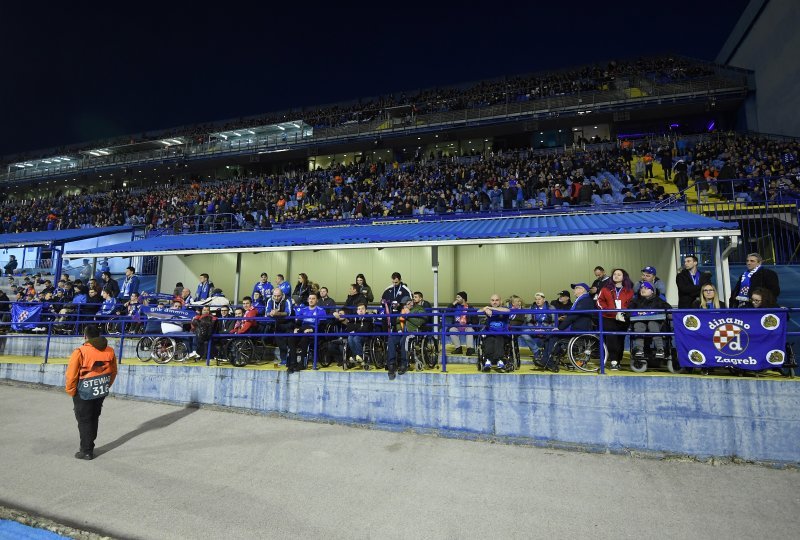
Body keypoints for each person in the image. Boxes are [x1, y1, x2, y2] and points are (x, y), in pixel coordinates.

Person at [65, 324, 117, 460]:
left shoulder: (80, 351)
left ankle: (86, 450)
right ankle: (89, 445)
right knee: (94, 417)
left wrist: (71, 391)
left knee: (84, 420)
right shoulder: (110, 350)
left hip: (83, 391)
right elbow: (113, 371)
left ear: (85, 336)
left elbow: (71, 375)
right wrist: (106, 385)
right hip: (100, 389)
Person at [543, 283, 596, 372]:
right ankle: (545, 359)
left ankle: (549, 361)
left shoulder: (585, 300)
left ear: (582, 290)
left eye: (576, 288)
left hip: (579, 329)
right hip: (576, 327)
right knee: (550, 335)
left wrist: (560, 328)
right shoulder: (581, 299)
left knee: (553, 335)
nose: (574, 290)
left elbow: (573, 316)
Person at [597, 269, 634, 370]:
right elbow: (600, 301)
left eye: (619, 274)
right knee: (611, 338)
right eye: (614, 274)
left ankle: (618, 360)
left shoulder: (629, 290)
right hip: (608, 317)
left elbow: (632, 303)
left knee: (620, 339)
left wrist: (625, 311)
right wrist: (606, 310)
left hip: (622, 318)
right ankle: (613, 360)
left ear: (624, 277)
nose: (616, 276)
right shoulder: (605, 289)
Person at [627, 282, 671, 359]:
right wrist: (636, 313)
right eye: (641, 288)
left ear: (652, 291)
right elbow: (628, 312)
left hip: (656, 323)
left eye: (646, 288)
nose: (643, 290)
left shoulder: (658, 300)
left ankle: (660, 349)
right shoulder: (635, 301)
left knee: (652, 323)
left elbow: (669, 309)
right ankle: (639, 350)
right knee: (638, 324)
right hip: (640, 322)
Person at [290, 293, 327, 372]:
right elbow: (298, 322)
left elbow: (323, 326)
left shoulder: (321, 311)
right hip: (302, 329)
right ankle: (293, 363)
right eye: (310, 298)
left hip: (314, 332)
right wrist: (296, 328)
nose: (311, 300)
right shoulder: (304, 310)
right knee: (291, 338)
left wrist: (313, 330)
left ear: (317, 300)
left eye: (313, 298)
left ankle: (302, 363)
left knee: (304, 339)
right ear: (307, 300)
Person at [478, 294, 510, 372]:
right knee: (489, 339)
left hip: (502, 334)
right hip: (490, 333)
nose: (494, 302)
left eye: (496, 300)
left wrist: (490, 308)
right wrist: (485, 309)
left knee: (499, 339)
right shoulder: (487, 309)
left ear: (500, 301)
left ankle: (500, 360)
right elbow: (478, 312)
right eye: (492, 300)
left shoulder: (504, 308)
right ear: (490, 301)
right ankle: (488, 361)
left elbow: (508, 311)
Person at [386, 295, 412, 380]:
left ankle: (404, 363)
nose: (404, 306)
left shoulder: (418, 309)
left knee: (404, 340)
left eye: (406, 304)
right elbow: (397, 322)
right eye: (403, 304)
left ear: (411, 303)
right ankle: (391, 364)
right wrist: (399, 329)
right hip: (401, 332)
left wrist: (410, 315)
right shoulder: (401, 311)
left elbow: (420, 320)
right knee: (391, 338)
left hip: (412, 332)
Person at [344, 303, 374, 370]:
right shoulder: (354, 318)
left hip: (366, 336)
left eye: (362, 309)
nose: (361, 311)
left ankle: (360, 356)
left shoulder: (368, 318)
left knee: (356, 338)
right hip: (356, 336)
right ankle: (357, 357)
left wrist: (355, 329)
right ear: (357, 311)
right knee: (350, 337)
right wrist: (358, 328)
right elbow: (349, 327)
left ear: (365, 310)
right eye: (359, 309)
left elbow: (365, 329)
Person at [447, 291, 475, 355]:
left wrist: (472, 325)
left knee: (470, 329)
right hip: (456, 325)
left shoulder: (470, 307)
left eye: (458, 297)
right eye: (456, 297)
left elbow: (474, 318)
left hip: (466, 325)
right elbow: (447, 312)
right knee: (451, 330)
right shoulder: (454, 306)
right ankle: (458, 348)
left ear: (463, 298)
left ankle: (469, 349)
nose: (456, 298)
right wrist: (453, 303)